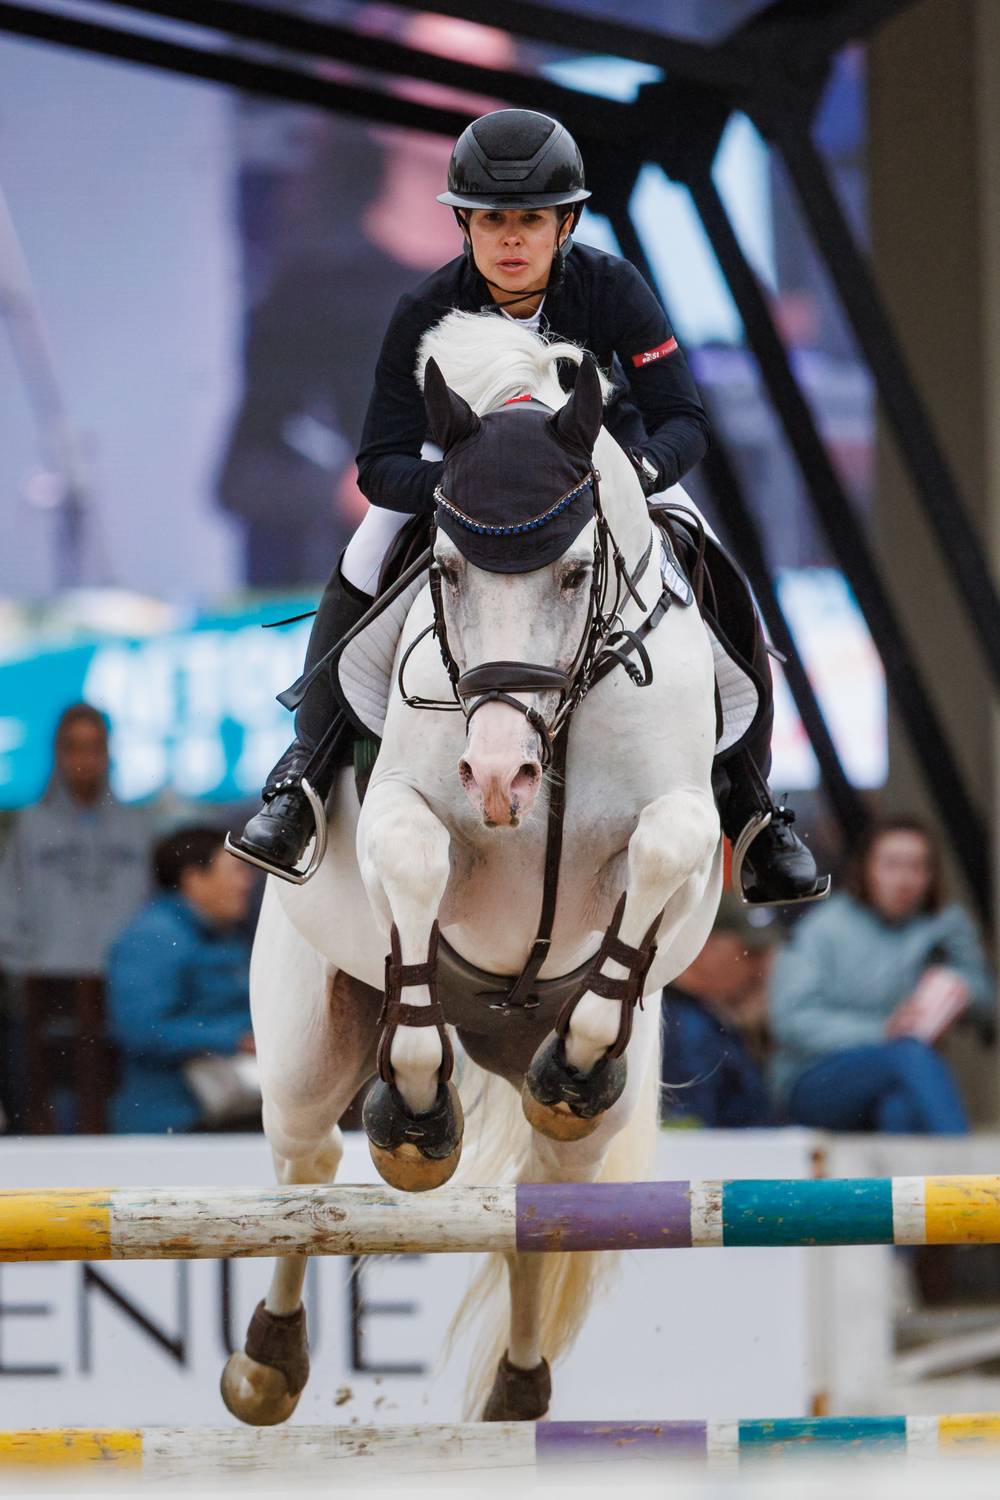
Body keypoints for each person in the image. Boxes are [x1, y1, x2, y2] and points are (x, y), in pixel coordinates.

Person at [231, 108, 827, 908]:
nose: (511, 240)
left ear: (567, 222)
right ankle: (299, 784)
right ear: (465, 225)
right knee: (363, 559)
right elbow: (380, 463)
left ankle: (754, 809)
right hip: (466, 489)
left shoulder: (613, 288)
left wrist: (638, 471)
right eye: (492, 221)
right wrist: (450, 493)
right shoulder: (424, 309)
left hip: (604, 472)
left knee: (716, 566)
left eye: (531, 221)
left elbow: (683, 419)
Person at [769, 816, 994, 1132]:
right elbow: (790, 1021)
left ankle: (913, 1180)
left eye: (917, 867)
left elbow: (988, 1008)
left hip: (894, 1078)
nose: (905, 879)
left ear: (931, 875)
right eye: (892, 865)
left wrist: (959, 975)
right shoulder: (823, 928)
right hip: (814, 1078)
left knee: (899, 1111)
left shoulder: (939, 925)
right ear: (865, 869)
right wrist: (882, 1030)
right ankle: (971, 1175)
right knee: (910, 1054)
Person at [0, 704, 156, 1127]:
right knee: (44, 1115)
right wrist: (26, 967)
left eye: (94, 747)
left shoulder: (137, 827)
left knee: (119, 1112)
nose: (84, 759)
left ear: (108, 752)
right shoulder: (30, 827)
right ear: (57, 754)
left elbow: (148, 909)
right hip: (44, 998)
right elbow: (8, 908)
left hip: (120, 997)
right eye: (73, 748)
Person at [107, 825, 257, 1134]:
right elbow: (142, 1029)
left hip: (240, 1106)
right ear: (194, 880)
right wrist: (236, 1040)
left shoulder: (227, 934)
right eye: (235, 871)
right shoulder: (153, 937)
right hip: (176, 1121)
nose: (247, 883)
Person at [661, 895, 774, 1128]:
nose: (762, 968)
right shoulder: (682, 1029)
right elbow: (686, 1135)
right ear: (700, 945)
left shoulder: (701, 1018)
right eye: (750, 953)